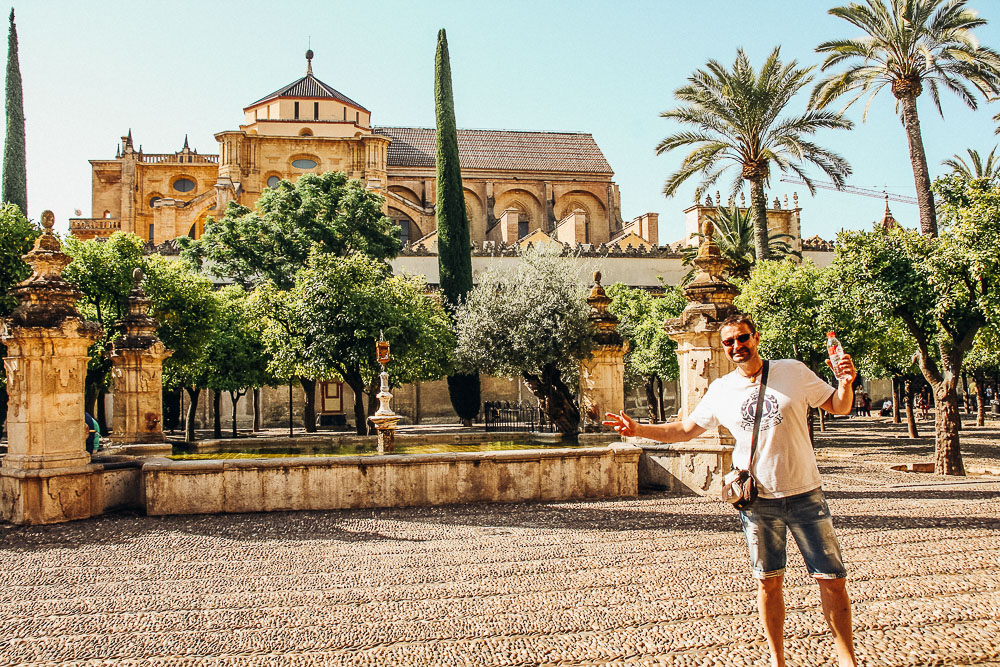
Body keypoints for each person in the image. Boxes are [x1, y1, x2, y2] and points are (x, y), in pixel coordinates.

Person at [604, 313, 858, 667]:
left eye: (742, 338)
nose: (736, 346)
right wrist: (639, 430)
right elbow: (686, 430)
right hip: (757, 502)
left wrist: (846, 382)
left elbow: (839, 406)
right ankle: (777, 661)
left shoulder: (793, 371)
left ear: (755, 337)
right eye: (729, 342)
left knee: (831, 580)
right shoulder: (721, 389)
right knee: (768, 583)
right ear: (723, 347)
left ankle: (847, 660)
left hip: (805, 494)